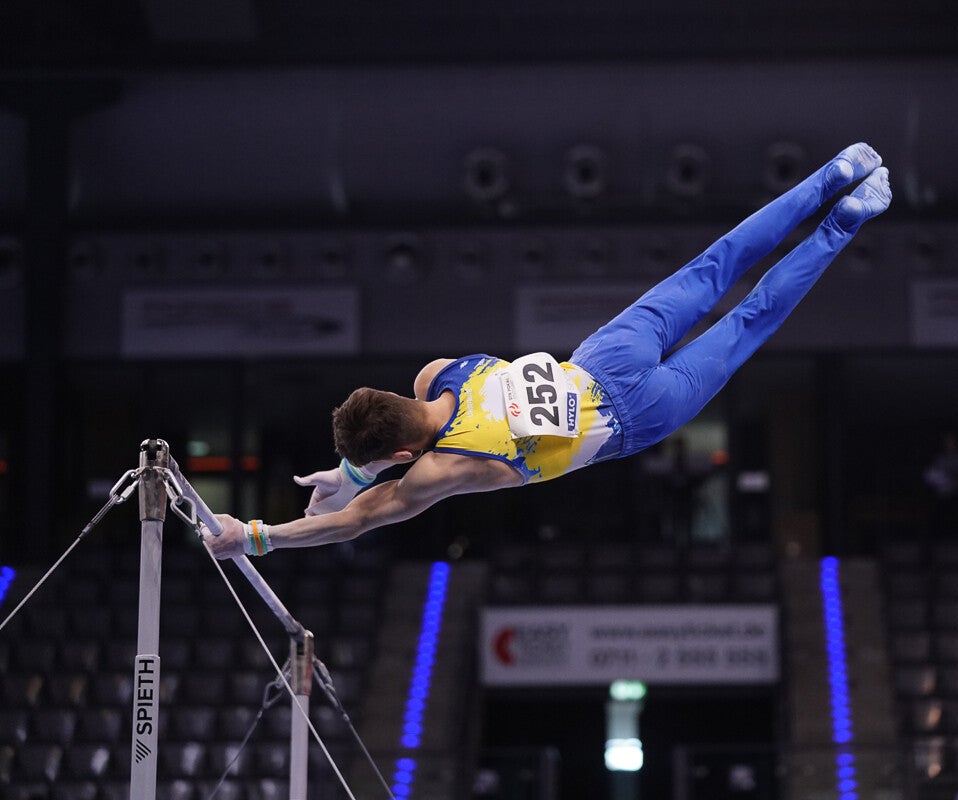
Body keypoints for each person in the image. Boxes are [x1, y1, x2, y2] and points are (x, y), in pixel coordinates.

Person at [204, 143, 892, 558]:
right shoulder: (438, 373)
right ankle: (836, 173)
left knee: (750, 320)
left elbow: (354, 523)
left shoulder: (444, 468)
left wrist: (257, 535)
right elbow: (386, 458)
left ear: (402, 455)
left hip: (640, 414)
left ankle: (844, 221)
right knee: (718, 264)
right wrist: (351, 472)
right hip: (606, 355)